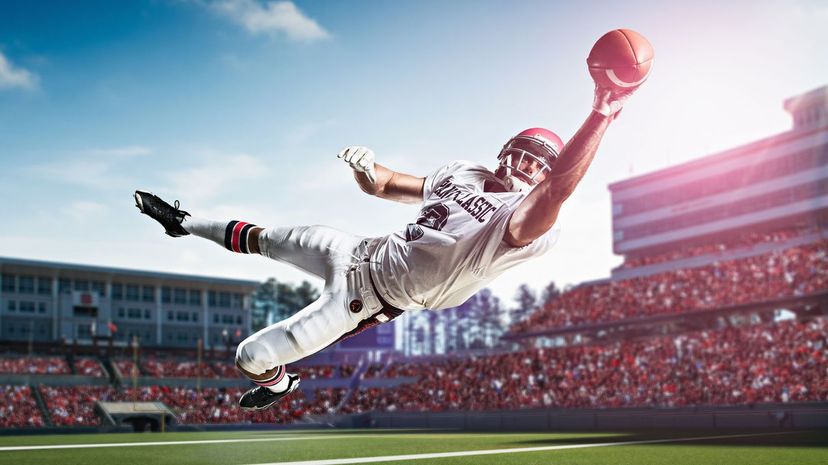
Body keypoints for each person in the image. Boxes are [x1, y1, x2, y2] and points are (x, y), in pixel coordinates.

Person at [134, 86, 635, 411]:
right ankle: (182, 222)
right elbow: (386, 186)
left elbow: (556, 192)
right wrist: (367, 169)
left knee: (251, 354)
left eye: (536, 164)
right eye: (520, 154)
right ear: (505, 150)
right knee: (267, 238)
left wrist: (602, 113)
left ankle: (279, 385)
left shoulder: (527, 223)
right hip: (358, 250)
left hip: (369, 300)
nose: (523, 167)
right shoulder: (463, 172)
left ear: (547, 176)